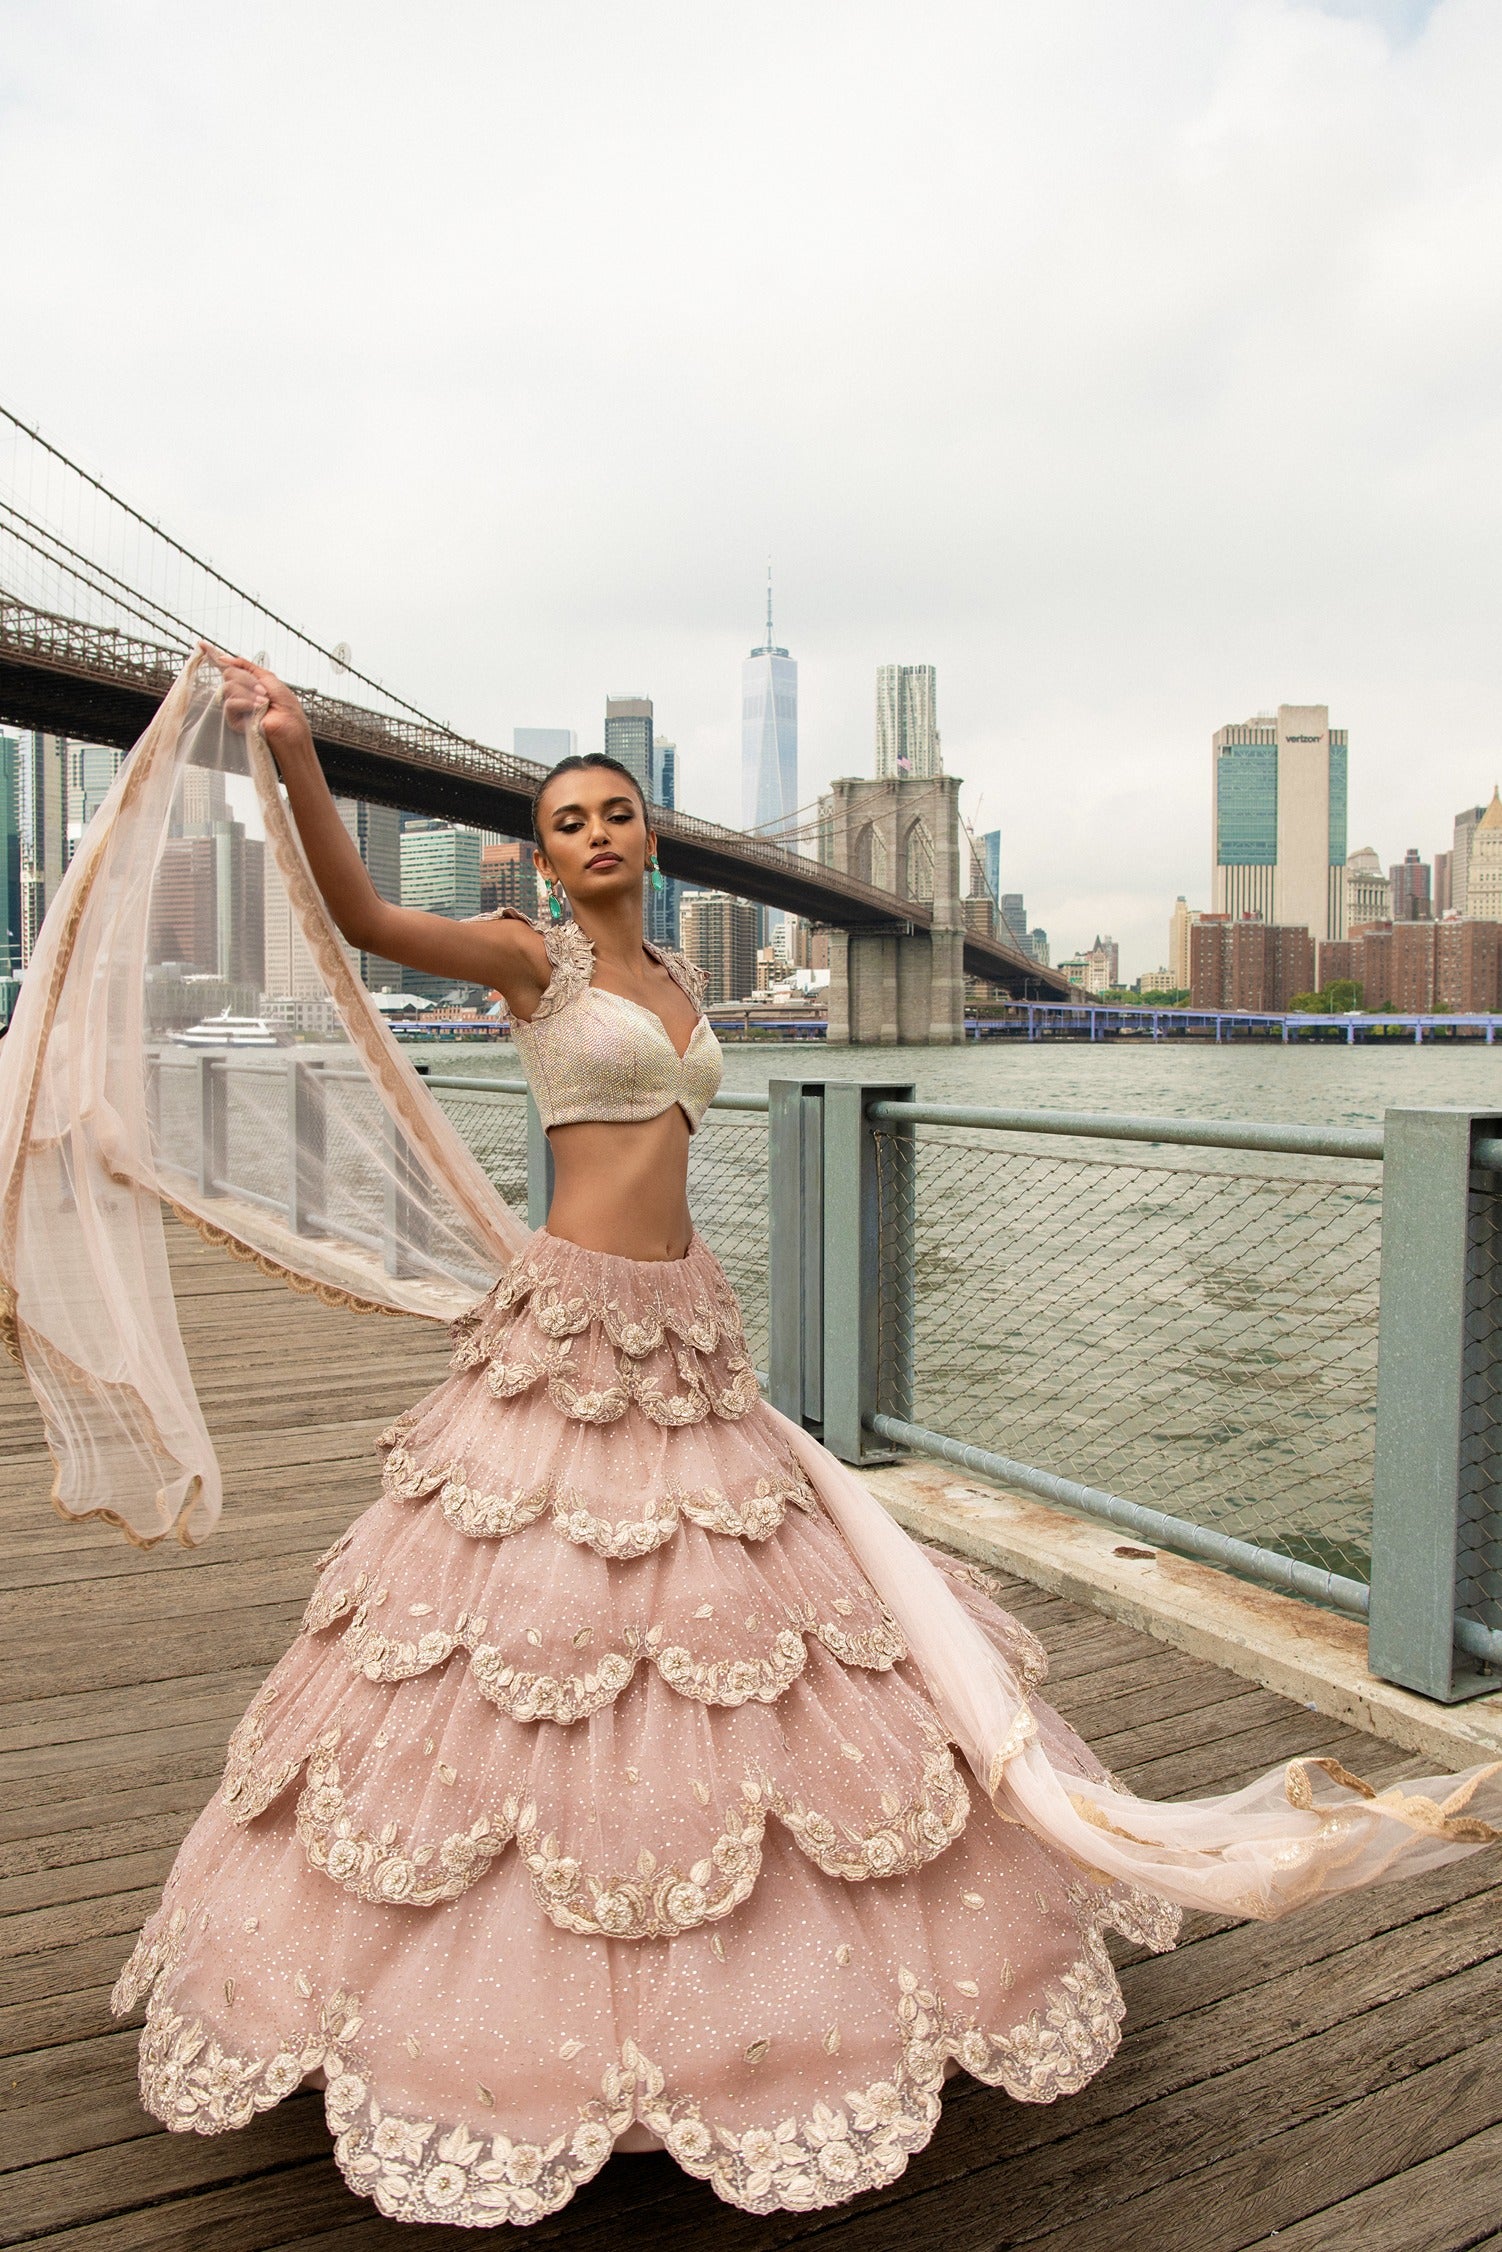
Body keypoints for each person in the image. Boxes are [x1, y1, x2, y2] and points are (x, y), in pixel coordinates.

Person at [12, 656, 1496, 2231]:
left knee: (739, 1630)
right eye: (567, 820)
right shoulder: (526, 961)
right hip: (570, 1327)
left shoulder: (672, 975)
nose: (595, 832)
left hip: (687, 1326)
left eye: (616, 812)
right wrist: (297, 753)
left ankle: (766, 2016)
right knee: (535, 1637)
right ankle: (510, 2035)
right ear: (539, 857)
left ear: (648, 838)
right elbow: (365, 917)